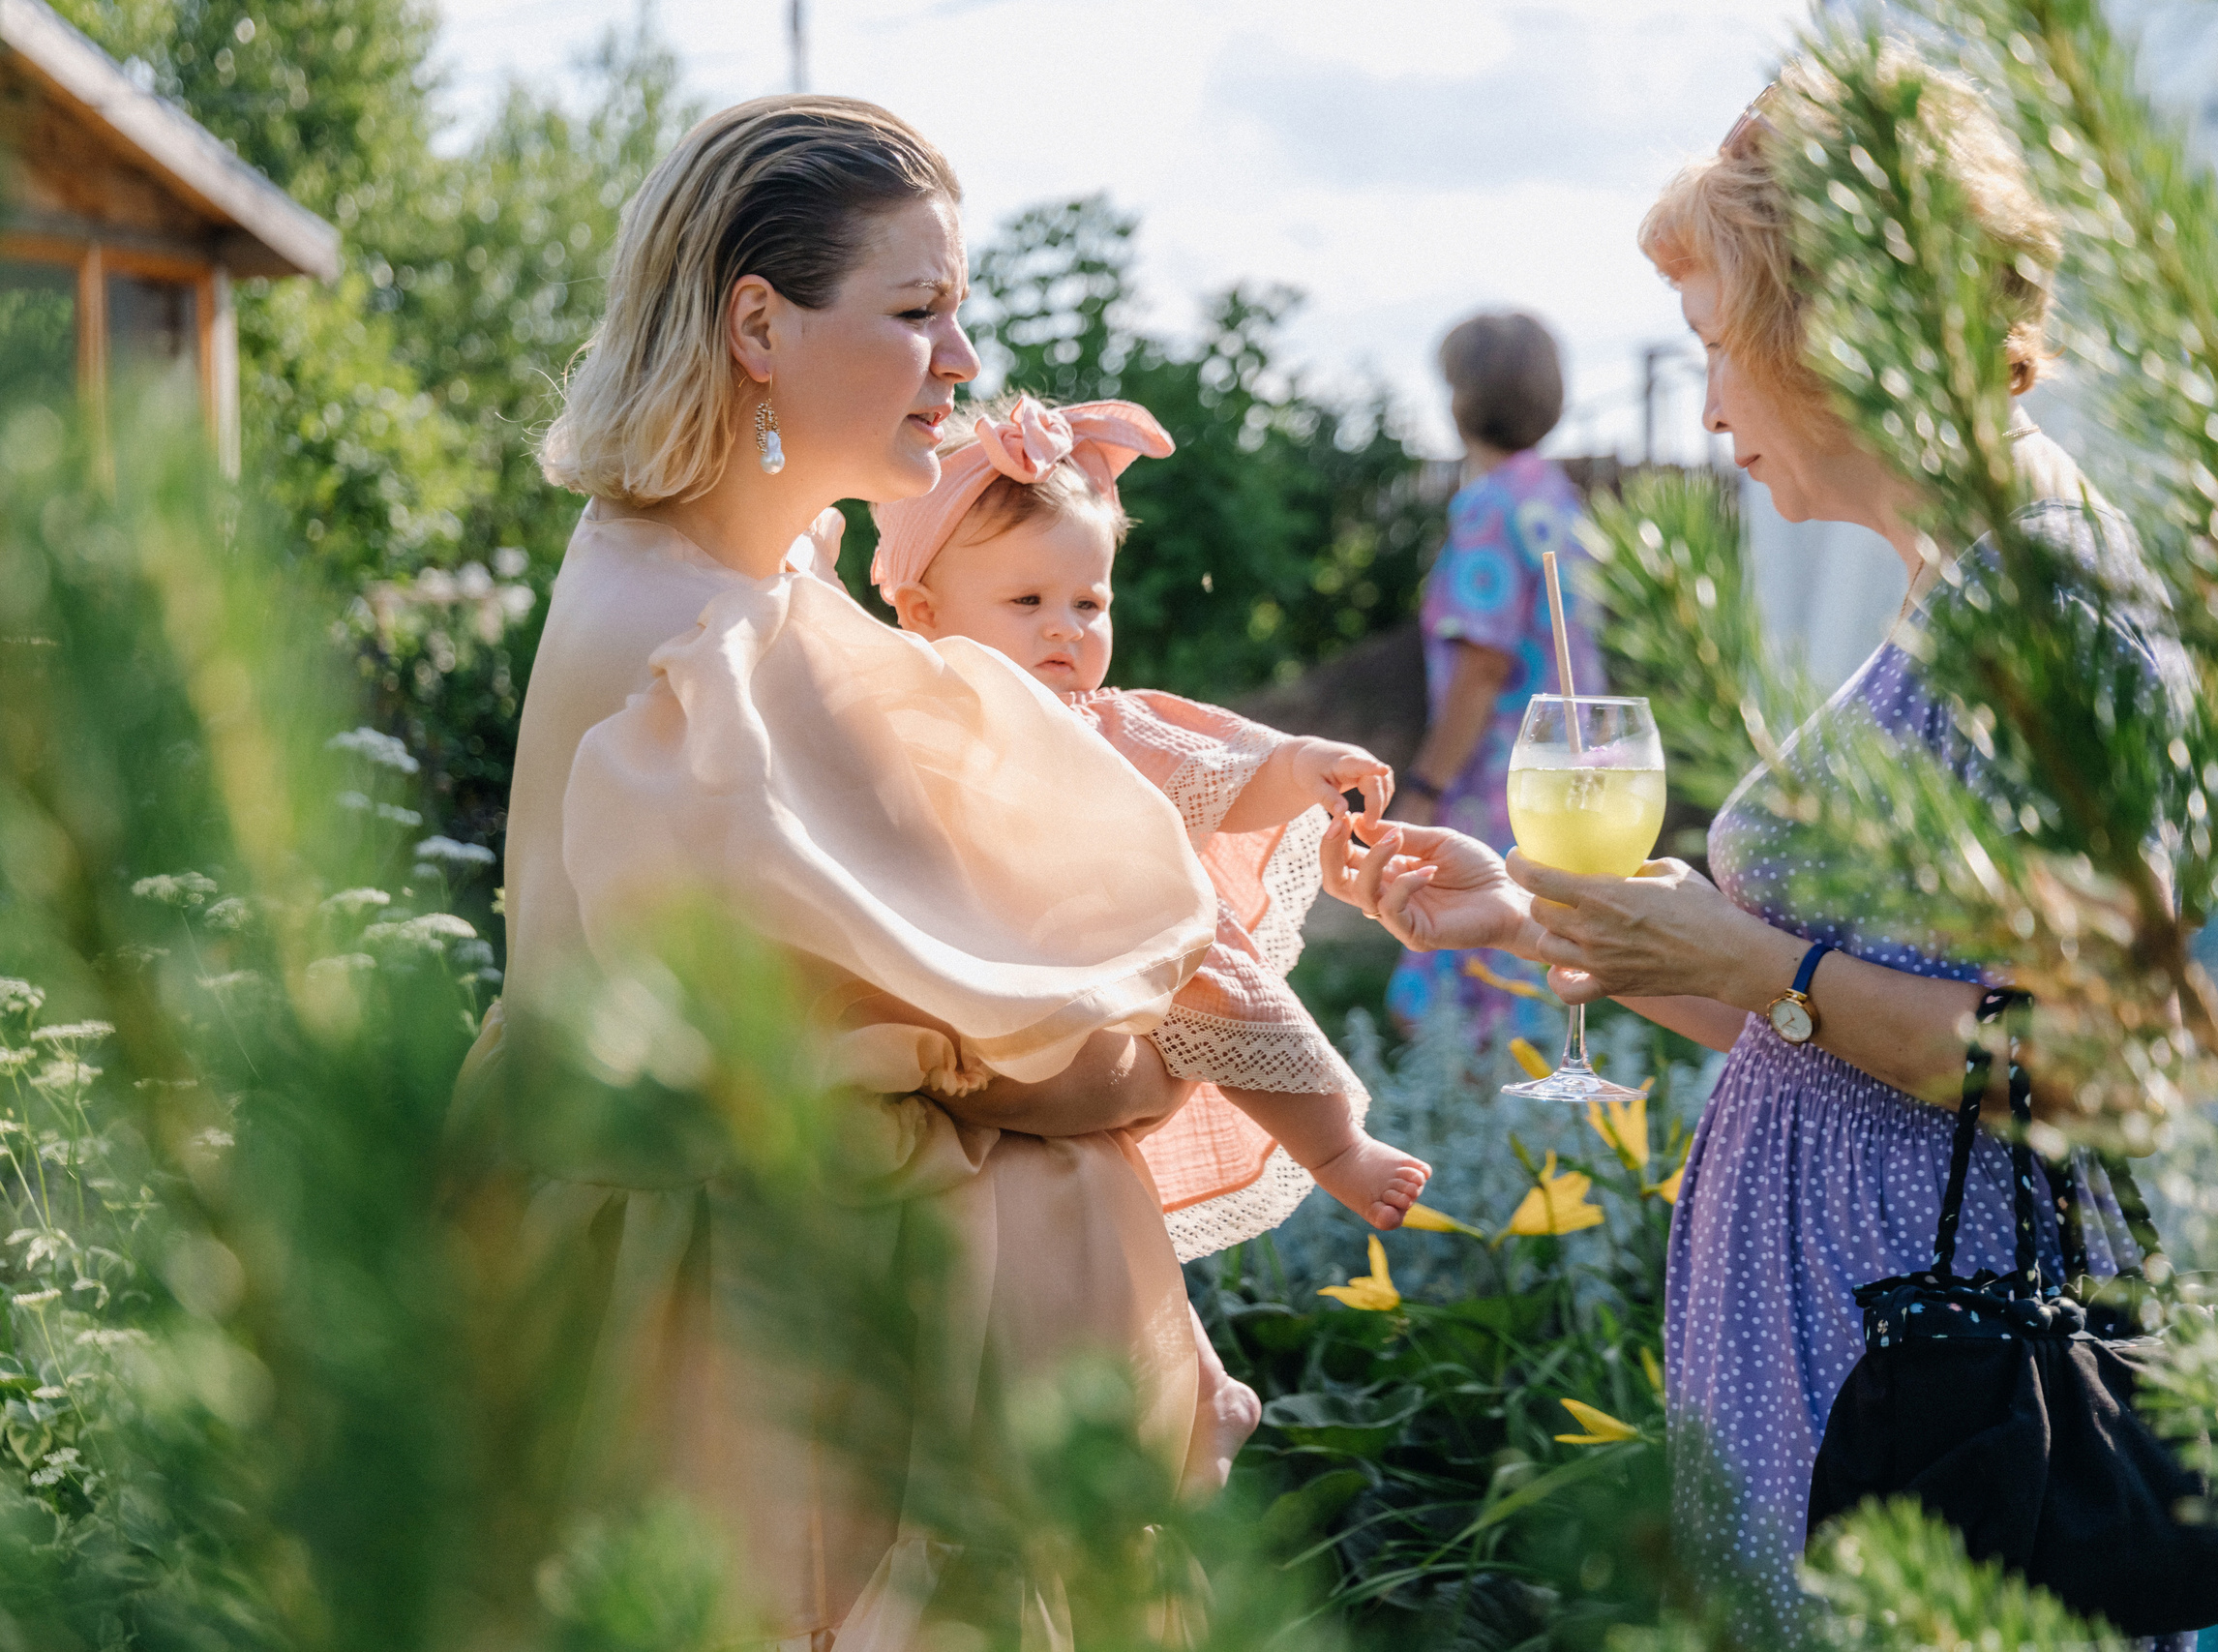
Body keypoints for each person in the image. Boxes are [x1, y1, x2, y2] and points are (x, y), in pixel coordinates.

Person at [1331, 56, 2180, 1638]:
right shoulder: (1967, 587)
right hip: (1851, 1385)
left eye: (1723, 345)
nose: (1709, 401)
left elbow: (2108, 1069)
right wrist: (1521, 914)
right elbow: (1798, 1022)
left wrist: (1772, 965)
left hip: (1945, 1421)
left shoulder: (2057, 616)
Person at [482, 94, 1233, 1648]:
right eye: (916, 311)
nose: (962, 361)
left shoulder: (720, 559)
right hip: (733, 1343)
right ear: (758, 323)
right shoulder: (708, 642)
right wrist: (1113, 1070)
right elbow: (993, 1043)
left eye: (958, 310)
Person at [871, 391, 1429, 1239]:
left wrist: (1301, 766)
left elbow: (1220, 774)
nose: (1065, 630)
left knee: (1221, 983)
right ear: (923, 614)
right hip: (972, 981)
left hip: (1115, 960)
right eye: (1027, 603)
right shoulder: (903, 726)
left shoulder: (1102, 726)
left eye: (1088, 604)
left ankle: (1335, 1150)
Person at [1385, 312, 1606, 1042]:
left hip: (1498, 779)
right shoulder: (1558, 497)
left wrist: (1422, 786)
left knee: (1466, 972)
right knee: (1540, 976)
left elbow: (1481, 667)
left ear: (1460, 400)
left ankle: (1466, 1135)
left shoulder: (1487, 505)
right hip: (1568, 778)